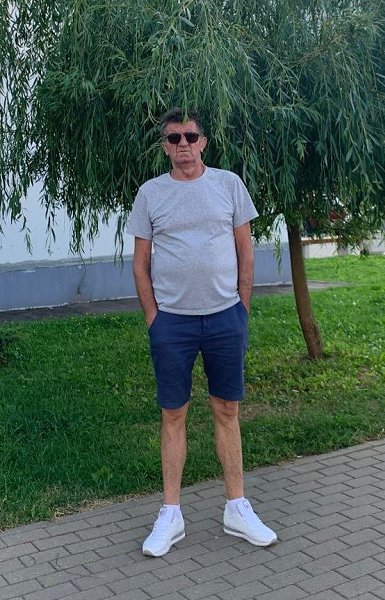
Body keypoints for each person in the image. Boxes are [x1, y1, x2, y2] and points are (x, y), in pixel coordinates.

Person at [126, 107, 277, 557]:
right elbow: (140, 264)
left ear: (203, 142)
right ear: (165, 146)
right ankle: (171, 513)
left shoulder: (229, 185)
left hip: (225, 317)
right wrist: (154, 318)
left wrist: (241, 310)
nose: (183, 145)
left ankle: (237, 507)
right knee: (173, 413)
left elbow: (245, 252)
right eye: (174, 138)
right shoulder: (151, 194)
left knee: (227, 409)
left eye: (190, 136)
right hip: (172, 323)